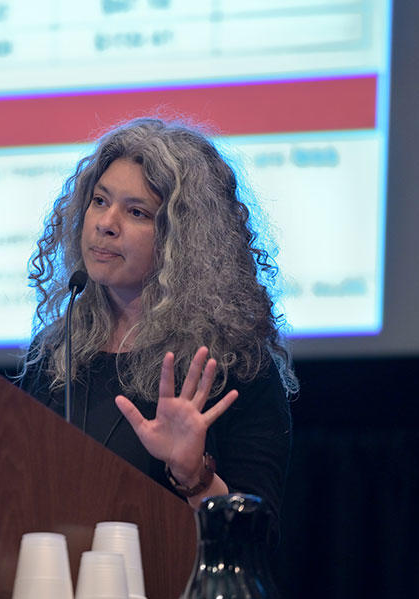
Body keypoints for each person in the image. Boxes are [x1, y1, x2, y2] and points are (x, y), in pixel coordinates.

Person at [18, 117, 297, 542]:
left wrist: (193, 475)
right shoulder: (56, 356)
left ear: (182, 241)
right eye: (99, 201)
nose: (106, 223)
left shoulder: (232, 367)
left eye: (136, 212)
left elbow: (255, 540)